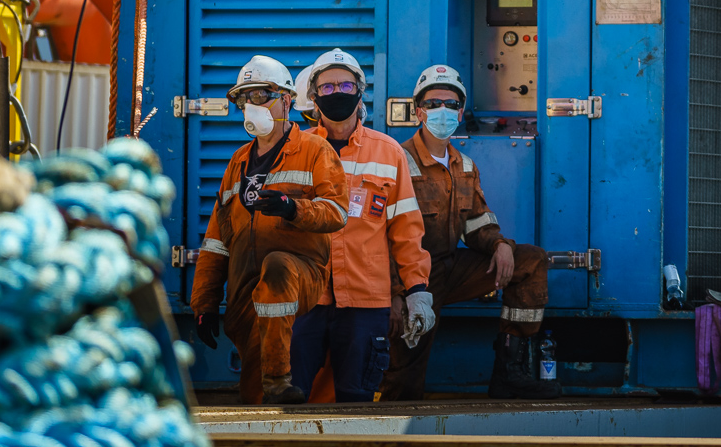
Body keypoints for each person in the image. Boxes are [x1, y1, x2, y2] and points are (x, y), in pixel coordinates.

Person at [380, 64, 556, 400]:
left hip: (452, 268)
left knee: (531, 261)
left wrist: (500, 245)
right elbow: (381, 236)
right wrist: (395, 292)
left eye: (450, 104)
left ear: (460, 112)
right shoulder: (396, 160)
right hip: (414, 279)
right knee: (404, 379)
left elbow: (476, 221)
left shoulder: (464, 166)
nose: (441, 111)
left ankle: (508, 373)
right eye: (433, 104)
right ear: (419, 111)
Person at [189, 55, 348, 404]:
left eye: (262, 96)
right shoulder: (238, 161)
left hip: (300, 271)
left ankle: (278, 378)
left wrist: (293, 209)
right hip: (246, 283)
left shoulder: (314, 149)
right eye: (245, 99)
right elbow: (217, 239)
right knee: (252, 384)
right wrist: (204, 303)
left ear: (286, 101)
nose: (252, 106)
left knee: (277, 267)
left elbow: (337, 211)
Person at [290, 48, 433, 402]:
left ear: (360, 90)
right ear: (313, 96)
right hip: (306, 298)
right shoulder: (296, 150)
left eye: (345, 84)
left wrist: (416, 291)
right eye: (326, 87)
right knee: (291, 397)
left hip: (366, 302)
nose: (337, 92)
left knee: (357, 400)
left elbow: (406, 229)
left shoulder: (388, 152)